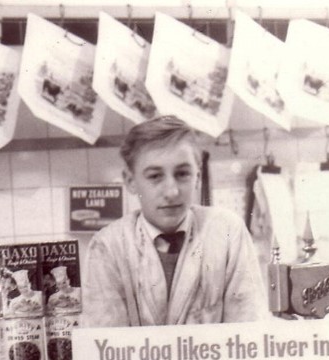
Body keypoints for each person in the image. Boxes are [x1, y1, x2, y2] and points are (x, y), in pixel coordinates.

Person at [81, 115, 268, 327]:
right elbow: (105, 349)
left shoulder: (227, 233)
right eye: (155, 176)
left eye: (182, 174)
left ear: (197, 176)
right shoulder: (108, 247)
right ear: (131, 181)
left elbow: (250, 332)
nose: (171, 191)